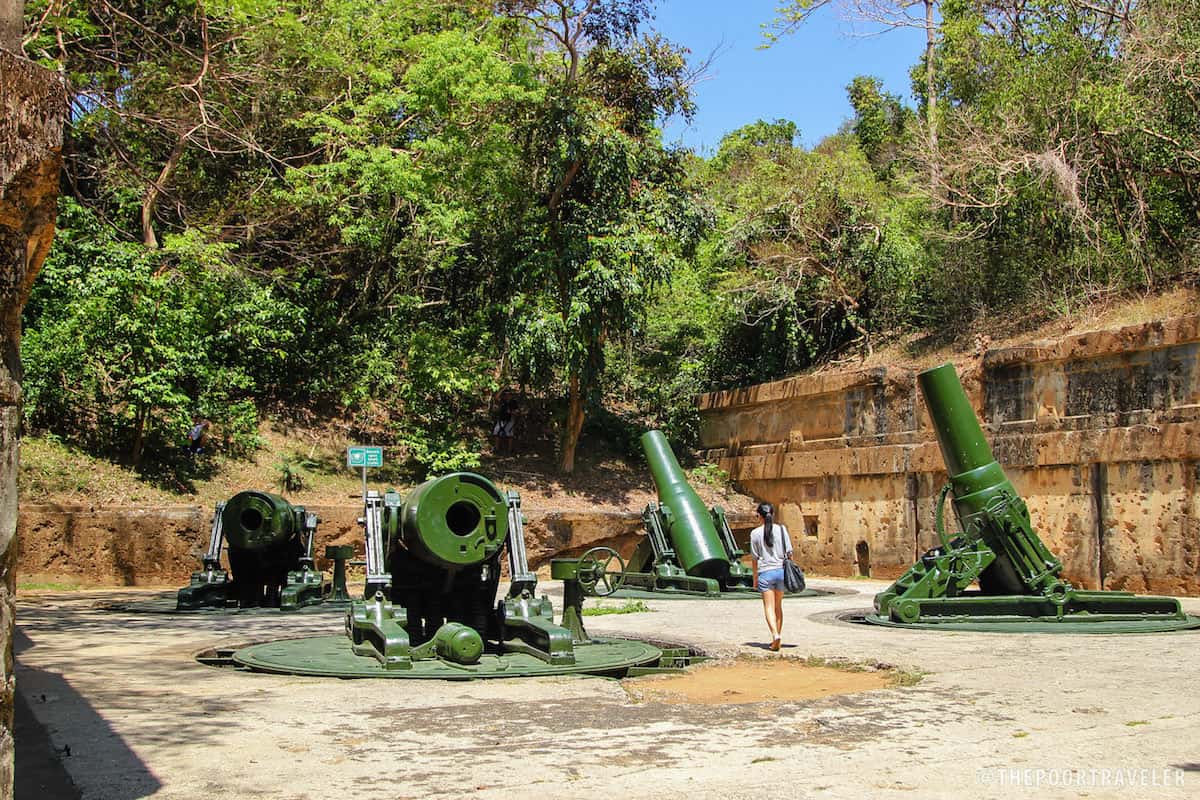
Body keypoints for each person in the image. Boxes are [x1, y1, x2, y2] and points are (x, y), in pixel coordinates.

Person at [749, 501, 793, 651]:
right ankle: (777, 636)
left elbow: (754, 559)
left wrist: (755, 578)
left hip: (765, 573)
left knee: (768, 607)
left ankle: (775, 635)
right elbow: (789, 554)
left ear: (759, 516)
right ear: (772, 515)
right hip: (781, 571)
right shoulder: (782, 530)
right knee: (778, 607)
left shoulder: (755, 534)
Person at [490, 389, 519, 455]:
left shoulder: (513, 402)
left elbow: (517, 412)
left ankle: (510, 450)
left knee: (509, 435)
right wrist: (502, 389)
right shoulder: (502, 401)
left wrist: (511, 412)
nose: (507, 396)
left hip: (510, 420)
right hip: (501, 419)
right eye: (505, 394)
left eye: (508, 394)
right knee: (496, 433)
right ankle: (496, 449)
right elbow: (496, 397)